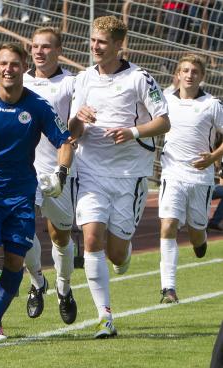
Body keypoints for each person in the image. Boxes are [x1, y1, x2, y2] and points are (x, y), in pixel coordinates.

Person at [68, 16, 170, 339]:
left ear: (118, 45)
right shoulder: (83, 79)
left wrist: (133, 131)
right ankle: (104, 317)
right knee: (91, 239)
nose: (95, 47)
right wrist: (78, 119)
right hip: (91, 171)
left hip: (130, 175)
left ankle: (123, 256)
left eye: (102, 42)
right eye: (93, 40)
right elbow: (71, 131)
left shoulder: (139, 78)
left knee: (115, 252)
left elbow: (164, 122)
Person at [0, 42, 74, 341]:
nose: (8, 69)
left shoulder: (37, 105)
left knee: (16, 261)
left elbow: (65, 141)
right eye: (3, 64)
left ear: (23, 68)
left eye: (14, 64)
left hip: (21, 192)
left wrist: (61, 172)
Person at [22, 27, 77, 324]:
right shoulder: (20, 80)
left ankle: (64, 289)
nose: (39, 51)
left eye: (46, 47)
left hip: (59, 169)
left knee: (60, 234)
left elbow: (76, 124)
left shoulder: (72, 83)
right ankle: (37, 282)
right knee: (22, 230)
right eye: (35, 46)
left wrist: (79, 126)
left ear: (58, 51)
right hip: (24, 169)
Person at [158, 54, 223, 304]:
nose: (189, 75)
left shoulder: (212, 104)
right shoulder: (165, 100)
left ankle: (201, 240)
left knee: (196, 232)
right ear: (177, 74)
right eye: (184, 70)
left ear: (202, 76)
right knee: (168, 225)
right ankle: (168, 288)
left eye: (194, 71)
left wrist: (212, 158)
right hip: (171, 173)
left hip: (200, 176)